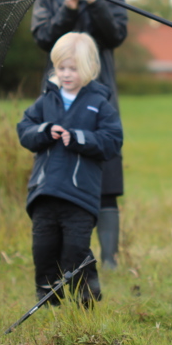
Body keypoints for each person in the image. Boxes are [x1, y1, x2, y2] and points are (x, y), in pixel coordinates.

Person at [31, 0, 128, 269]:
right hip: (58, 98)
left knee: (105, 175)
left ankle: (110, 259)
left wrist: (94, 2)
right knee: (57, 172)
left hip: (100, 96)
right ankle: (62, 255)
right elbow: (43, 38)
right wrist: (68, 8)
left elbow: (116, 35)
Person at [17, 32, 124, 305]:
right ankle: (48, 300)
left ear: (88, 68)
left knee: (75, 250)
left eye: (72, 69)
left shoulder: (99, 104)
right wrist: (45, 130)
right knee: (43, 249)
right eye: (61, 67)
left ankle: (87, 297)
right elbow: (25, 130)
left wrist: (79, 138)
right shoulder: (46, 101)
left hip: (79, 195)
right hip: (45, 191)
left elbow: (112, 141)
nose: (65, 74)